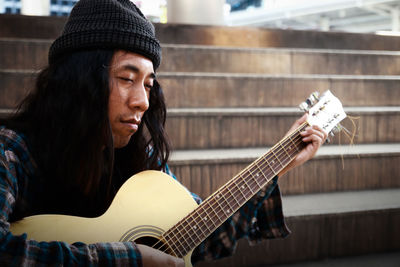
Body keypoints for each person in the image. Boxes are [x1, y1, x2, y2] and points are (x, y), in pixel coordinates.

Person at [0, 0, 327, 266]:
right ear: (78, 82)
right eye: (127, 79)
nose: (142, 101)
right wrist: (129, 258)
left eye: (148, 84)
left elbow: (198, 240)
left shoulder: (144, 160)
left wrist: (277, 163)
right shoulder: (12, 152)